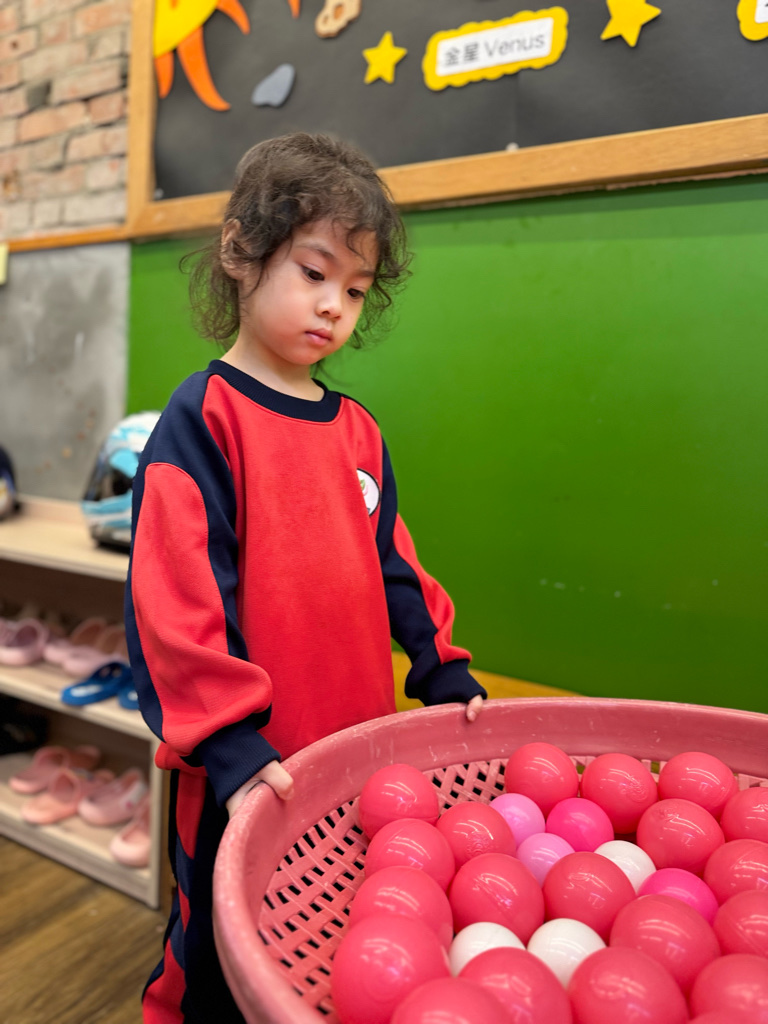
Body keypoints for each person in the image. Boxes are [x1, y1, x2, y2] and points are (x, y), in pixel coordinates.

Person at [125, 131, 487, 1024]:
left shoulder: (357, 430)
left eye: (355, 290)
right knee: (216, 955)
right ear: (240, 254)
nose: (334, 306)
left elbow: (397, 566)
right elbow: (175, 602)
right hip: (246, 767)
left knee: (322, 943)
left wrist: (441, 668)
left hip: (354, 747)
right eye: (314, 273)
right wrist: (229, 742)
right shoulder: (203, 417)